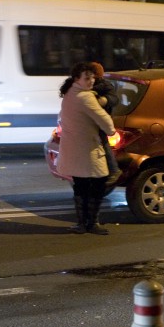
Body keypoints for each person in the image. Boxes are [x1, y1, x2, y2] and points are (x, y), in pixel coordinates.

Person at [57, 62, 116, 235]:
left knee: (80, 185)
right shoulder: (86, 97)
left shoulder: (69, 92)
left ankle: (82, 223)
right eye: (87, 78)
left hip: (73, 147)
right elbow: (106, 122)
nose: (91, 81)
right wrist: (110, 130)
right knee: (99, 181)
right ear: (77, 79)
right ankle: (92, 223)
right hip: (88, 148)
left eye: (92, 78)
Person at [90, 62, 122, 185]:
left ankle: (114, 170)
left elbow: (114, 99)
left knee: (103, 143)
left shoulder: (104, 85)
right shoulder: (94, 85)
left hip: (100, 120)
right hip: (95, 120)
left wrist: (104, 100)